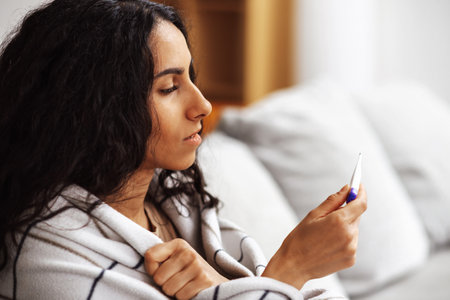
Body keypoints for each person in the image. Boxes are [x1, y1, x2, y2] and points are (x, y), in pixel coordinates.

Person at [0, 0, 367, 299]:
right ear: (97, 108)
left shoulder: (176, 206)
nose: (203, 105)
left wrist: (217, 287)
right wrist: (293, 266)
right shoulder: (48, 253)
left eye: (191, 77)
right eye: (169, 88)